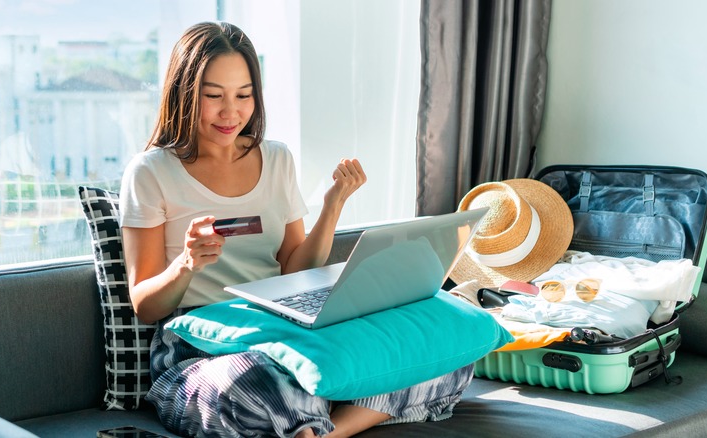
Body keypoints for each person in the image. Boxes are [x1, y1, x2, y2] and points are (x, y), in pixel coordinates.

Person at [120, 21, 473, 438]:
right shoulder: (151, 172)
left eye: (244, 95)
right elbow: (145, 304)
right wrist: (185, 264)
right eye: (212, 96)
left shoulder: (276, 159)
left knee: (443, 344)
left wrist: (332, 206)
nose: (230, 112)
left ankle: (323, 430)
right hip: (199, 349)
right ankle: (316, 413)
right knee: (253, 379)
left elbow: (295, 268)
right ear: (184, 93)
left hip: (281, 332)